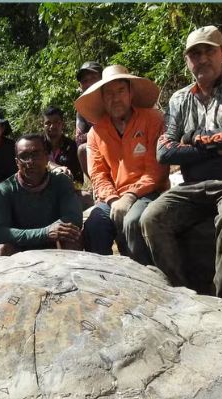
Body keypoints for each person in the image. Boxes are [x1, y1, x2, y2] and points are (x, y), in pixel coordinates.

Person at [140, 25, 222, 300]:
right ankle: (181, 294)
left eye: (209, 50)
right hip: (193, 185)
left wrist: (191, 139)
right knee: (152, 217)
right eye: (195, 54)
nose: (202, 58)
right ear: (187, 61)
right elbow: (164, 151)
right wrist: (212, 147)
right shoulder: (179, 99)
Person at [77, 65, 168, 264]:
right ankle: (103, 279)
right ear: (102, 98)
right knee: (94, 225)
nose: (115, 98)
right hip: (114, 197)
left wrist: (130, 196)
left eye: (120, 91)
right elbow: (98, 174)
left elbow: (157, 169)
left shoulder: (153, 120)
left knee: (132, 220)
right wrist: (112, 199)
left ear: (130, 92)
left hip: (148, 193)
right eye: (108, 93)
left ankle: (145, 278)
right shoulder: (96, 132)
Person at [0, 134, 83, 255]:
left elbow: (74, 219)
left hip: (55, 244)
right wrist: (45, 233)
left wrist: (51, 233)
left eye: (36, 154)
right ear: (17, 162)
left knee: (72, 239)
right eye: (24, 156)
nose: (30, 161)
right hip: (21, 247)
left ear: (46, 156)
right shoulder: (4, 189)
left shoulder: (61, 182)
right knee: (2, 248)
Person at [75, 61, 103, 180]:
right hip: (99, 146)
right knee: (82, 150)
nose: (89, 83)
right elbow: (79, 139)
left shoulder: (114, 96)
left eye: (93, 78)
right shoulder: (82, 109)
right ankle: (97, 183)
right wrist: (101, 132)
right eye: (85, 81)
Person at [43, 106, 83, 183]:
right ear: (43, 125)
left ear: (62, 124)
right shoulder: (38, 145)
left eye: (56, 122)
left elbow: (78, 176)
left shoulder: (72, 146)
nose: (52, 126)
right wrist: (53, 166)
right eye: (48, 123)